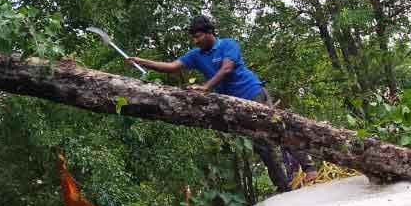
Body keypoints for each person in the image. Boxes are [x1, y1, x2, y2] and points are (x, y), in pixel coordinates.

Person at [128, 15, 316, 191]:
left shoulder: (228, 44)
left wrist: (205, 87)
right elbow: (172, 66)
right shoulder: (196, 55)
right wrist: (142, 61)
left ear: (209, 32)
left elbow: (226, 69)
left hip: (253, 93)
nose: (195, 41)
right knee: (261, 146)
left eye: (198, 36)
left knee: (277, 131)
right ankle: (283, 188)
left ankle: (310, 169)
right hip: (233, 104)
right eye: (193, 38)